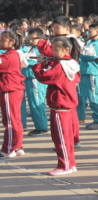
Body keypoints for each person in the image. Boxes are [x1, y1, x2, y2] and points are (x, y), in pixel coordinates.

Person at [33, 37, 81, 175]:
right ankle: (69, 163)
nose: (52, 52)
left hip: (61, 106)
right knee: (65, 138)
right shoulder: (69, 63)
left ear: (66, 49)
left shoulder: (61, 65)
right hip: (65, 105)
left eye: (55, 49)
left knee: (61, 138)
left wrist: (39, 64)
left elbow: (43, 76)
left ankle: (65, 165)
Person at [0, 30, 26, 158]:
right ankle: (17, 146)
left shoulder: (8, 57)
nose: (0, 42)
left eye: (2, 40)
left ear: (12, 42)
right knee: (15, 119)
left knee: (9, 120)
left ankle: (8, 148)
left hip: (9, 90)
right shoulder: (14, 54)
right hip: (15, 89)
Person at [78, 23, 98, 129]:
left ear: (97, 32)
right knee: (89, 96)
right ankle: (96, 118)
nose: (88, 33)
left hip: (95, 73)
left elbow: (86, 54)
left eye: (90, 31)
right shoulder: (91, 42)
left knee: (95, 96)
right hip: (88, 72)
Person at [22, 28, 49, 136]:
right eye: (30, 38)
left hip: (36, 79)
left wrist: (25, 59)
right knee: (32, 104)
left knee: (37, 103)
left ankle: (42, 127)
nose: (31, 41)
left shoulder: (41, 49)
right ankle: (38, 125)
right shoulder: (30, 48)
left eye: (34, 38)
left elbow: (37, 61)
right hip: (28, 78)